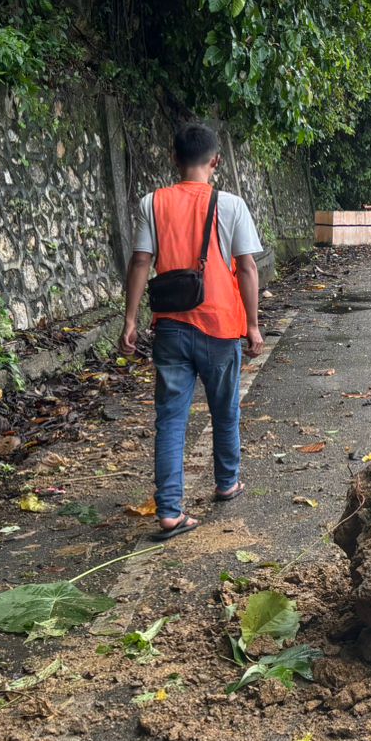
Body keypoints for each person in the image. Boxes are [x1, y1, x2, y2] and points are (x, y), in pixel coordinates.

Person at [121, 123, 265, 541]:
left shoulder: (153, 203)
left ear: (174, 158)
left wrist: (130, 320)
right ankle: (227, 482)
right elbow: (248, 268)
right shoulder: (231, 205)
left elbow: (140, 262)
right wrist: (253, 325)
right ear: (215, 160)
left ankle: (169, 511)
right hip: (220, 326)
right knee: (225, 409)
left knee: (170, 418)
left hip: (169, 326)